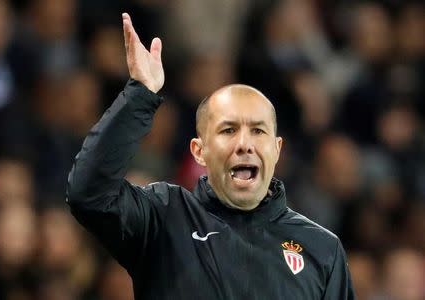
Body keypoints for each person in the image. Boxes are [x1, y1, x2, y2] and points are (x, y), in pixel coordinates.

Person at [66, 13, 354, 300]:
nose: (244, 144)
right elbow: (88, 195)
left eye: (257, 131)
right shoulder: (163, 219)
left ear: (276, 149)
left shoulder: (322, 249)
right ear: (199, 151)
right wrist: (139, 94)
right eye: (228, 130)